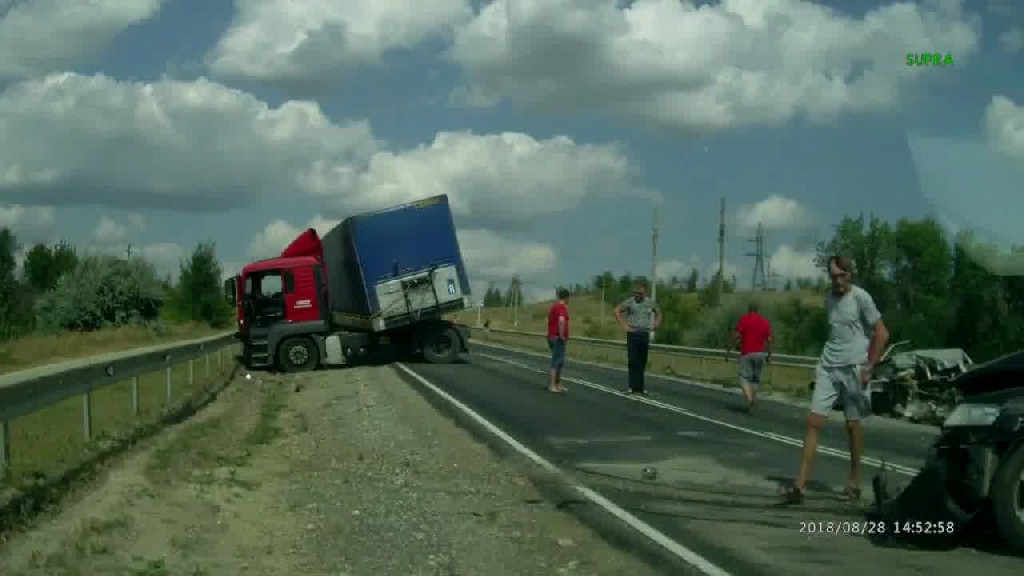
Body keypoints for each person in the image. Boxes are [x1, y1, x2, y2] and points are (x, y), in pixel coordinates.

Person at [782, 254, 889, 504]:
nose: (838, 281)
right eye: (833, 276)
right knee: (813, 421)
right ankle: (799, 485)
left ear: (850, 275)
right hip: (828, 366)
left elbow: (882, 334)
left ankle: (854, 482)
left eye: (842, 276)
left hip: (854, 368)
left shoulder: (861, 298)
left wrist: (869, 367)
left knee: (852, 426)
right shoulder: (829, 299)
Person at [614, 282, 662, 395]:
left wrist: (656, 324)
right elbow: (617, 310)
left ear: (644, 293)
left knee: (642, 361)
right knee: (633, 360)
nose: (638, 295)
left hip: (644, 333)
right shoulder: (630, 302)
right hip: (633, 332)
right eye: (636, 293)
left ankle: (641, 387)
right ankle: (631, 387)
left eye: (640, 293)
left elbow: (659, 313)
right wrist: (623, 325)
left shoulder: (649, 302)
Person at [726, 301, 773, 413]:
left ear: (749, 309)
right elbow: (770, 340)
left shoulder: (745, 320)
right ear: (758, 310)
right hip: (760, 354)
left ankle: (749, 397)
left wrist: (728, 350)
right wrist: (769, 355)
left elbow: (736, 336)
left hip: (747, 353)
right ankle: (752, 402)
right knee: (755, 379)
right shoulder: (765, 322)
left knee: (743, 378)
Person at [546, 288, 571, 394]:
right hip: (557, 337)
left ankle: (558, 384)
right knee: (556, 362)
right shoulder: (561, 307)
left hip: (552, 336)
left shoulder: (554, 307)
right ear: (566, 297)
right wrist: (561, 335)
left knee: (560, 361)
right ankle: (552, 385)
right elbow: (561, 321)